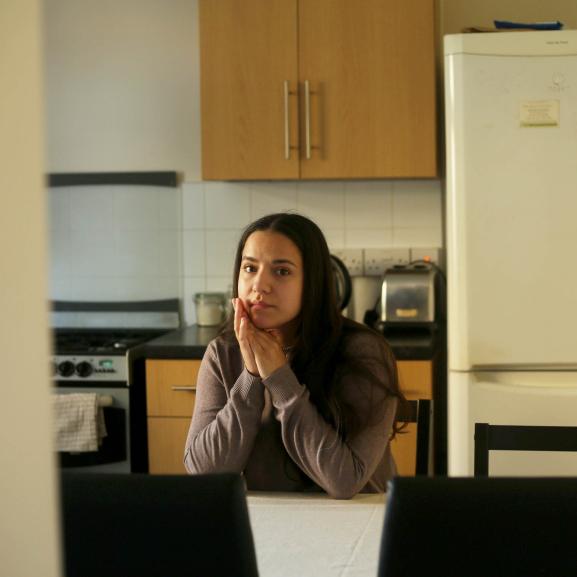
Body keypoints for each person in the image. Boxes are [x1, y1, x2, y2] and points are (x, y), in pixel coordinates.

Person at [184, 213, 403, 499]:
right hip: (272, 526)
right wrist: (251, 377)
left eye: (282, 271)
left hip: (358, 522)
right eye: (250, 268)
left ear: (312, 283)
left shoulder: (364, 353)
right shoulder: (223, 353)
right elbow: (204, 473)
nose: (259, 286)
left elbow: (345, 481)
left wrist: (279, 379)